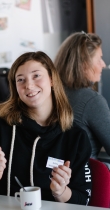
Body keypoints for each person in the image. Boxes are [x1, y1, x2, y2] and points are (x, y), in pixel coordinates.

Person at [0, 51, 92, 205]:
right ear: (15, 88)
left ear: (51, 79)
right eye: (20, 80)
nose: (29, 85)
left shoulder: (75, 136)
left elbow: (83, 199)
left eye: (36, 76)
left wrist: (61, 191)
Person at [54, 31, 110, 160]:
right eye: (99, 59)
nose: (103, 64)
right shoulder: (91, 101)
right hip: (84, 175)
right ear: (84, 64)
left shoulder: (51, 93)